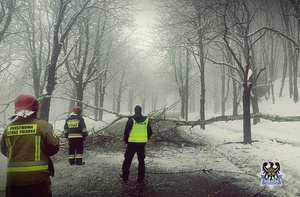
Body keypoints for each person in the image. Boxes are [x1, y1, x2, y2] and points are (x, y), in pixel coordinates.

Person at [0, 94, 60, 197]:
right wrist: (43, 154)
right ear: (36, 108)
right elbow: (54, 145)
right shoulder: (42, 125)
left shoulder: (8, 128)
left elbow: (4, 150)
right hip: (38, 179)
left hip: (14, 180)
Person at [120, 105, 153, 184]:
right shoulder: (146, 120)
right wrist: (145, 139)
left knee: (127, 159)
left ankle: (125, 175)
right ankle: (140, 178)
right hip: (142, 144)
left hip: (132, 143)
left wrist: (126, 140)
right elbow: (150, 132)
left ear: (135, 111)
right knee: (141, 160)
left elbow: (126, 131)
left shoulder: (131, 119)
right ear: (141, 111)